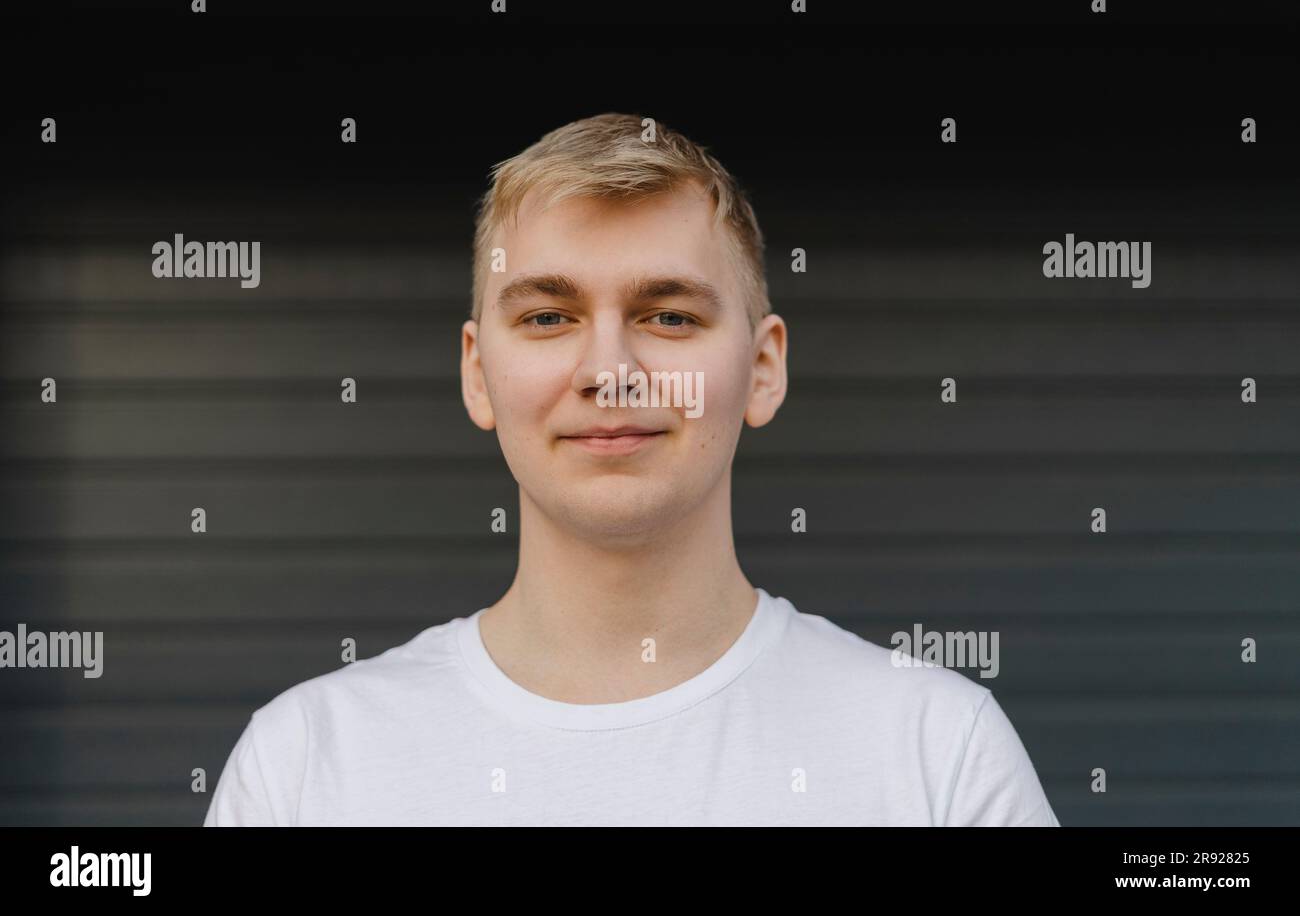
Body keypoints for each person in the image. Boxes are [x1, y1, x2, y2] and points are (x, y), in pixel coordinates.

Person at [204, 113, 1059, 826]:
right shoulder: (304, 767)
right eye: (546, 316)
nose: (608, 370)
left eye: (669, 316)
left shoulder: (936, 753)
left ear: (763, 369)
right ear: (477, 372)